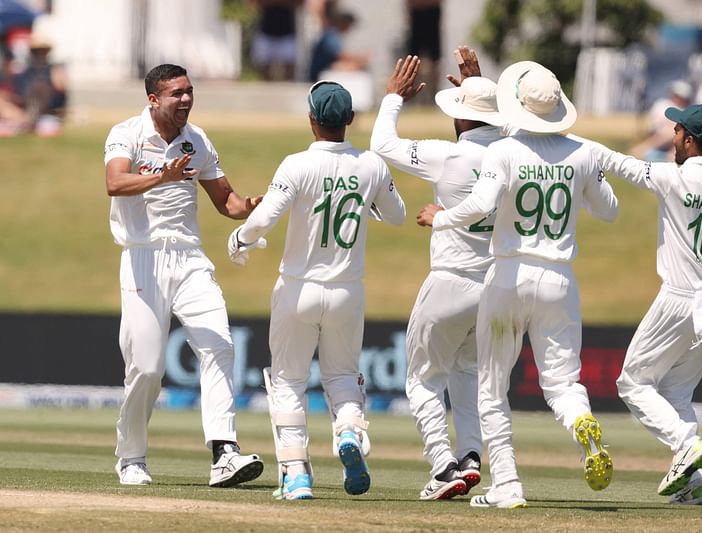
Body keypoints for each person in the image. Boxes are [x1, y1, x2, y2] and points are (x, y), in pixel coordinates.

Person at [417, 60, 619, 509]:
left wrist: (441, 218)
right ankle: (582, 421)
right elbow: (609, 210)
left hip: (507, 274)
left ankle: (507, 485)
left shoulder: (505, 151)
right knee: (564, 383)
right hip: (559, 280)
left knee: (491, 387)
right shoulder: (582, 153)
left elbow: (480, 203)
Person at [584, 104, 702, 505]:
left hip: (678, 299)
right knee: (675, 393)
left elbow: (617, 163)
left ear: (689, 140)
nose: (671, 138)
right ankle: (695, 484)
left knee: (633, 382)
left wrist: (564, 141)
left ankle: (685, 444)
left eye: (675, 132)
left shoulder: (671, 177)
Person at [226, 80, 406, 500]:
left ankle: (295, 474)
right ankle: (347, 433)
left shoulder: (296, 164)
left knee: (288, 381)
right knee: (342, 376)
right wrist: (367, 202)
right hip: (347, 291)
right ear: (350, 120)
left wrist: (239, 241)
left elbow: (263, 219)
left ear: (311, 120)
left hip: (298, 287)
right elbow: (397, 216)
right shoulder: (372, 165)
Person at [103, 64, 264, 488]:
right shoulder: (127, 133)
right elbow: (115, 183)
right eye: (176, 93)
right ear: (154, 99)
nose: (187, 100)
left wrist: (253, 206)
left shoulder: (198, 139)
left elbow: (225, 201)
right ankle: (131, 457)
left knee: (219, 345)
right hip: (143, 257)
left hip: (190, 258)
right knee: (148, 367)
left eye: (190, 91)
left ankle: (224, 453)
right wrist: (163, 175)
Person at [370, 48, 505, 501]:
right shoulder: (517, 156)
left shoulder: (447, 156)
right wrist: (479, 89)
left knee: (422, 379)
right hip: (497, 285)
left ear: (462, 120)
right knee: (467, 372)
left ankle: (444, 465)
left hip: (451, 279)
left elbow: (382, 145)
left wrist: (394, 98)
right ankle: (469, 457)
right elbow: (515, 128)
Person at [14, 31, 67, 135]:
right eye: (36, 51)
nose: (40, 54)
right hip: (27, 111)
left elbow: (61, 89)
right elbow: (20, 93)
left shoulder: (54, 69)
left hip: (49, 114)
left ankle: (31, 120)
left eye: (43, 51)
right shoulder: (27, 71)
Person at [630, 80, 692, 161]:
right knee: (672, 131)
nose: (678, 98)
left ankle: (670, 157)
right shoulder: (662, 104)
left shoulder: (688, 109)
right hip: (660, 134)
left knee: (680, 133)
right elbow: (656, 124)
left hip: (678, 138)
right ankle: (643, 149)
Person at [307, 9, 368, 82]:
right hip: (319, 74)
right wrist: (360, 58)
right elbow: (341, 55)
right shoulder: (331, 36)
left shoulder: (334, 35)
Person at [249, 0, 303, 81]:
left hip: (287, 33)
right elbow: (253, 3)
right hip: (266, 32)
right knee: (264, 75)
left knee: (289, 75)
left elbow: (300, 3)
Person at [406, 0, 442, 105]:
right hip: (416, 21)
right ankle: (412, 97)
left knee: (434, 63)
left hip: (432, 20)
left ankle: (434, 97)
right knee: (413, 63)